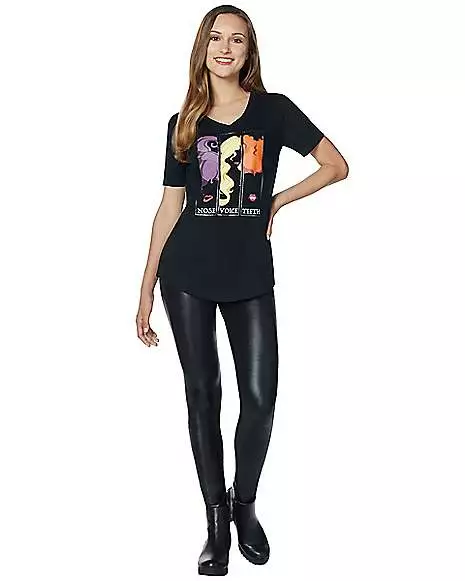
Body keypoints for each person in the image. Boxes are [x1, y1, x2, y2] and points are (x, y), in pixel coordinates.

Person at [136, 4, 348, 576]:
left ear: (249, 51)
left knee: (260, 400)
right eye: (216, 38)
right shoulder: (184, 123)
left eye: (237, 40)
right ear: (202, 48)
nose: (225, 48)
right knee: (203, 396)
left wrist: (278, 200)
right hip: (186, 274)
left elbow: (336, 165)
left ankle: (243, 505)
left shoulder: (274, 111)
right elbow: (169, 209)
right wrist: (146, 287)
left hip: (250, 273)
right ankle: (215, 523)